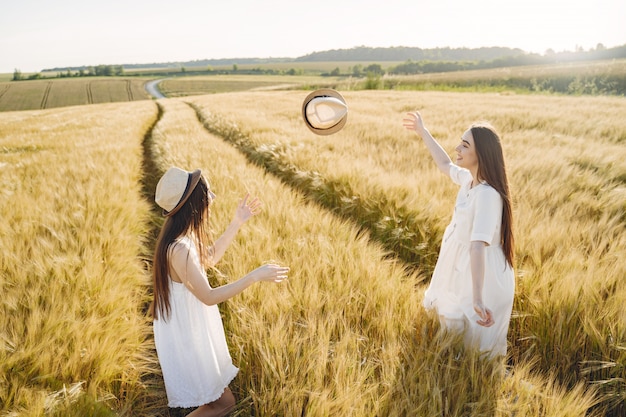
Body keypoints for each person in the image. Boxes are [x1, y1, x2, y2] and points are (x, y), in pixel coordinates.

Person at [150, 166, 289, 416]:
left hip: (189, 330)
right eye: (207, 193)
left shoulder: (183, 238)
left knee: (219, 402)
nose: (212, 198)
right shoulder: (180, 249)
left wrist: (237, 222)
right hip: (188, 337)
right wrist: (255, 276)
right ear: (195, 202)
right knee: (224, 404)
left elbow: (210, 258)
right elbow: (209, 296)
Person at [403, 111, 515, 357]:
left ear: (482, 155)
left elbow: (477, 246)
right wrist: (423, 132)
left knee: (476, 350)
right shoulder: (469, 180)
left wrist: (477, 298)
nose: (458, 148)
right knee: (458, 341)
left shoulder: (487, 194)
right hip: (462, 265)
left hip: (480, 274)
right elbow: (445, 165)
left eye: (465, 145)